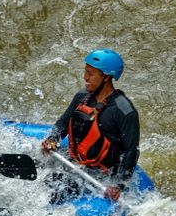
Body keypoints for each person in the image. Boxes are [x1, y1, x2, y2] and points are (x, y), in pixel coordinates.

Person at [40, 49, 139, 202]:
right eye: (85, 72)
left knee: (54, 187)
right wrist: (53, 139)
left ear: (106, 77)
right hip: (75, 159)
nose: (85, 77)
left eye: (91, 74)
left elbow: (131, 152)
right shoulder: (82, 97)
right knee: (38, 171)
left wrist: (118, 185)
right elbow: (62, 124)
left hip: (100, 173)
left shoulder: (124, 111)